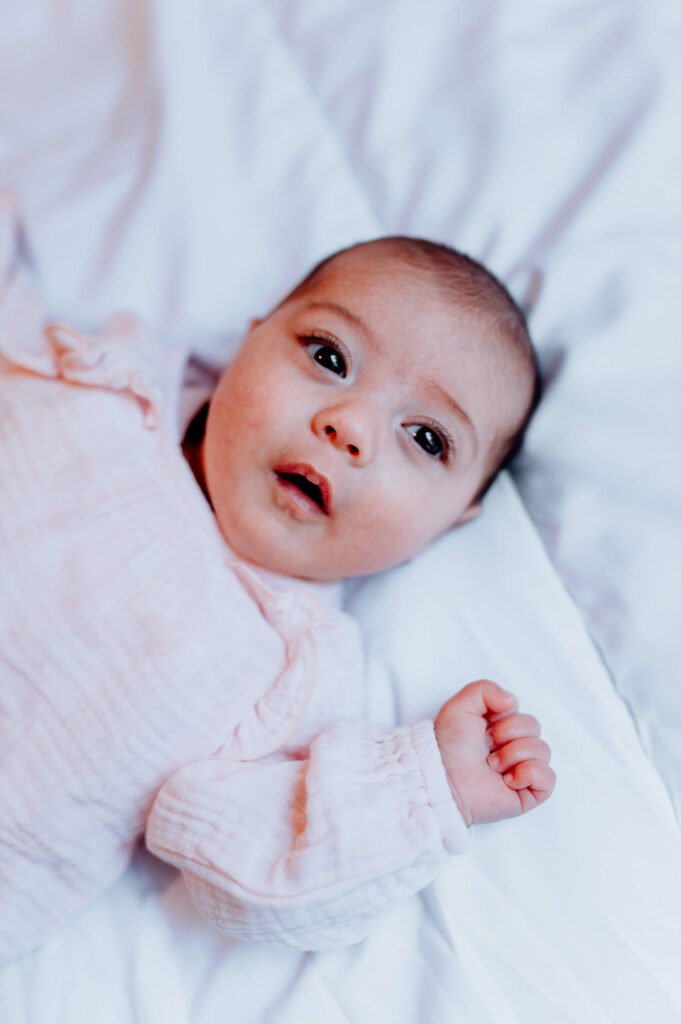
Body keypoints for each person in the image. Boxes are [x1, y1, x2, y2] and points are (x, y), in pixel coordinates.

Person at [0, 203, 554, 960]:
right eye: (329, 356)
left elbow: (260, 865)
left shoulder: (291, 672)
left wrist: (428, 790)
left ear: (454, 519)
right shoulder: (108, 380)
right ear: (250, 338)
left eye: (426, 438)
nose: (348, 426)